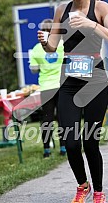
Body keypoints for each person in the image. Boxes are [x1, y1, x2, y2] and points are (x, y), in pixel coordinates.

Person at [38, 0, 108, 203]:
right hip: (69, 81)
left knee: (90, 141)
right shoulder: (61, 10)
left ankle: (98, 191)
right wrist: (46, 42)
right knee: (71, 141)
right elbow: (53, 46)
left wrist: (92, 25)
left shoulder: (101, 8)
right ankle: (82, 185)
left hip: (95, 80)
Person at [29, 19, 66, 158]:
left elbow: (33, 69)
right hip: (61, 85)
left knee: (47, 118)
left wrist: (43, 65)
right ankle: (63, 148)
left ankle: (46, 150)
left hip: (46, 87)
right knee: (62, 118)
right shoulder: (62, 44)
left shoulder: (37, 48)